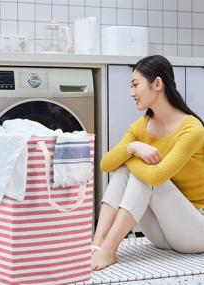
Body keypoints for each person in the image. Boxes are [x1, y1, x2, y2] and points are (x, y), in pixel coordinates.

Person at [91, 55, 204, 271]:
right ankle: (97, 244)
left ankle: (109, 248)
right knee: (124, 171)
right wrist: (133, 148)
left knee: (139, 172)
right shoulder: (141, 126)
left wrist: (129, 156)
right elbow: (105, 164)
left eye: (135, 85)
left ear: (157, 84)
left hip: (196, 231)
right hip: (162, 235)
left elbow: (156, 177)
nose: (131, 93)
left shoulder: (192, 129)